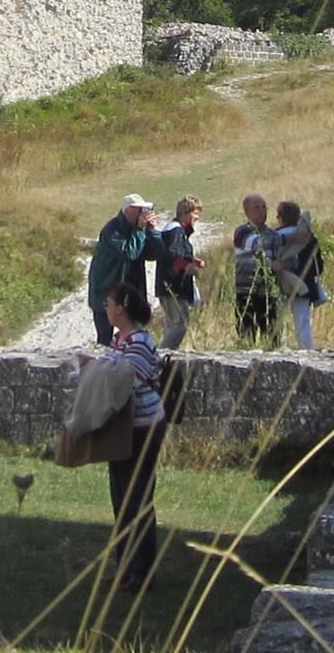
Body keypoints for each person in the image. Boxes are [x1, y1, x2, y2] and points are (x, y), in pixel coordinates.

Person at [101, 282, 166, 590]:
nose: (106, 308)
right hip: (123, 428)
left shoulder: (138, 342)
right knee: (121, 499)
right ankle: (125, 567)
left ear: (121, 308)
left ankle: (142, 571)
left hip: (142, 428)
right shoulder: (119, 340)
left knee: (137, 498)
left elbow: (128, 381)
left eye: (109, 303)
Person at [89, 193, 157, 345]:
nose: (143, 213)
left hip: (130, 293)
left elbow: (155, 254)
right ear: (129, 211)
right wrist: (139, 230)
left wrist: (152, 232)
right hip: (105, 291)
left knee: (134, 336)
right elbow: (129, 252)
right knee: (105, 340)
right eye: (139, 209)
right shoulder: (112, 230)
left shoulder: (137, 229)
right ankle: (105, 366)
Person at [261, 200, 322, 351]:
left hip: (279, 283)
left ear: (281, 217)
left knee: (276, 321)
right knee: (302, 322)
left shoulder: (276, 236)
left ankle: (277, 350)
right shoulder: (309, 238)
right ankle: (307, 352)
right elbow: (318, 266)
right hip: (304, 284)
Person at [154, 195, 205, 350]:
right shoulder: (175, 231)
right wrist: (186, 266)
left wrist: (193, 260)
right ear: (185, 212)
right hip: (173, 287)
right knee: (180, 325)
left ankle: (164, 358)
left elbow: (177, 254)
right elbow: (173, 255)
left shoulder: (177, 231)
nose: (197, 218)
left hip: (171, 287)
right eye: (195, 213)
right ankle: (160, 357)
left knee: (173, 325)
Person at [232, 194, 277, 341]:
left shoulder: (272, 233)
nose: (262, 211)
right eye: (257, 208)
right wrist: (287, 237)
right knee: (246, 334)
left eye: (264, 207)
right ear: (247, 211)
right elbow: (257, 244)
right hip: (246, 290)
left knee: (272, 334)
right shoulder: (242, 231)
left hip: (267, 291)